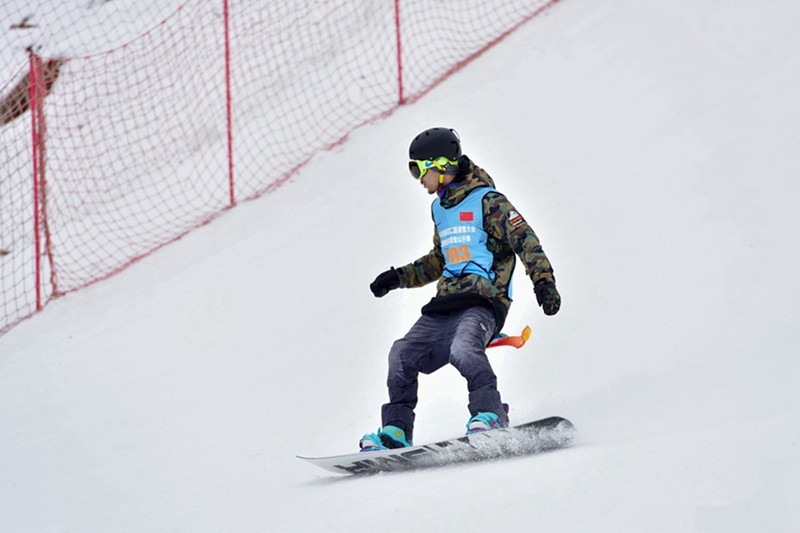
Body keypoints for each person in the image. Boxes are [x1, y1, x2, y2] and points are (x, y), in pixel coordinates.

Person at [359, 127, 560, 452]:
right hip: (445, 304)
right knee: (402, 354)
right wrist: (397, 278)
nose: (418, 179)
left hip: (484, 302)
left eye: (418, 170)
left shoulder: (488, 201)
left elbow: (525, 239)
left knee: (464, 348)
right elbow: (439, 259)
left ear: (438, 164)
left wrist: (543, 280)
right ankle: (395, 432)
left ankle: (490, 413)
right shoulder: (440, 209)